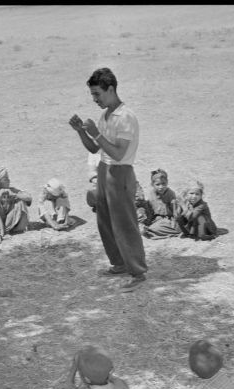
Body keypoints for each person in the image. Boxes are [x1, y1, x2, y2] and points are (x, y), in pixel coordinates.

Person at [69, 67, 147, 291]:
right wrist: (81, 132)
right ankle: (119, 263)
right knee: (105, 221)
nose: (94, 99)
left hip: (120, 172)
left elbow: (119, 153)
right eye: (92, 95)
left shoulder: (126, 117)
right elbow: (95, 149)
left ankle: (138, 272)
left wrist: (96, 133)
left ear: (110, 89)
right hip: (104, 170)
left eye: (97, 94)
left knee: (124, 223)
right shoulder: (104, 116)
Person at [0, 166, 32, 244]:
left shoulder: (11, 190)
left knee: (20, 202)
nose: (9, 180)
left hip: (10, 222)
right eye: (6, 179)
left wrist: (15, 195)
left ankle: (7, 230)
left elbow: (29, 198)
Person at [141, 169, 181, 239]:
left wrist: (174, 221)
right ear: (152, 184)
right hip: (156, 218)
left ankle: (151, 231)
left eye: (163, 184)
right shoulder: (151, 193)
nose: (161, 187)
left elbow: (174, 211)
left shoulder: (170, 194)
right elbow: (151, 208)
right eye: (157, 184)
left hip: (168, 218)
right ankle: (151, 229)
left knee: (164, 226)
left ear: (167, 182)